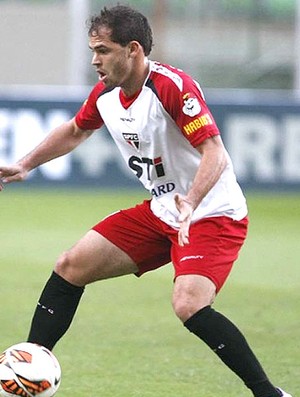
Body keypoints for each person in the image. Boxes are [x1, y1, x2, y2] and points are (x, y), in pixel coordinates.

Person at [0, 5, 292, 397]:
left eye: (103, 50)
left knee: (189, 303)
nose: (94, 60)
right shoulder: (106, 92)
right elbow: (75, 130)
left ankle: (269, 393)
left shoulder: (171, 86)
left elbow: (215, 153)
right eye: (93, 50)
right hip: (162, 209)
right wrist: (24, 164)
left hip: (211, 213)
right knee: (71, 265)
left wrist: (190, 201)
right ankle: (28, 372)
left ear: (132, 49)